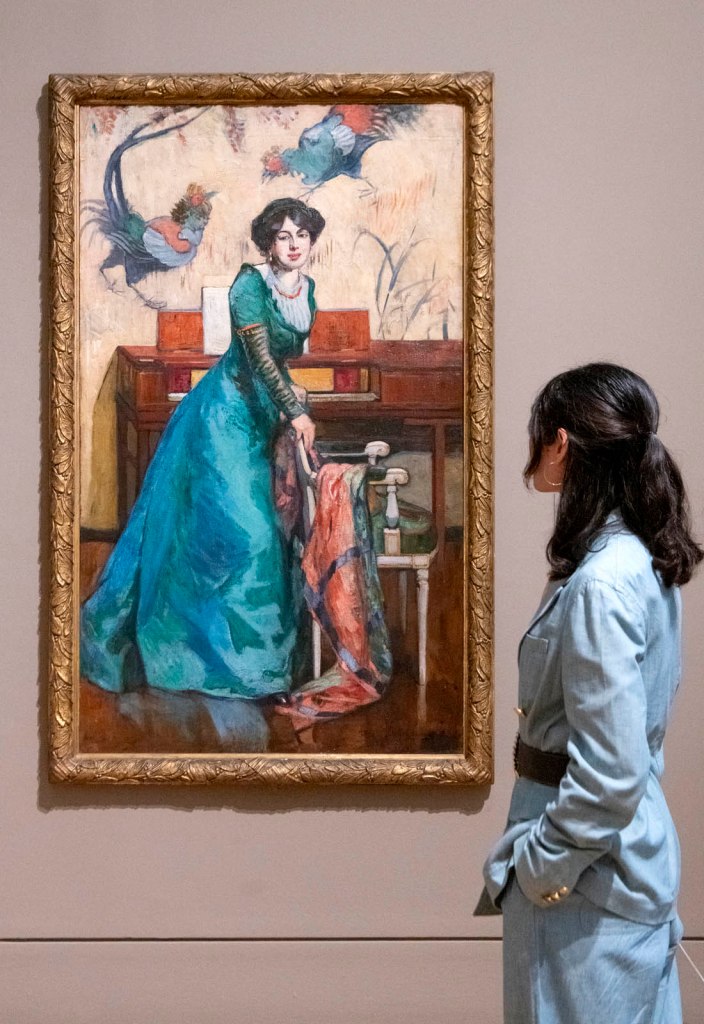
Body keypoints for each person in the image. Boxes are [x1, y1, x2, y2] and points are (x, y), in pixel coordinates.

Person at [480, 364, 702, 1023]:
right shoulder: (635, 560)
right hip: (615, 864)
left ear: (561, 444)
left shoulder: (604, 580)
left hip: (587, 882)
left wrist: (543, 869)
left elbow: (610, 773)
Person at [81, 197, 325, 707]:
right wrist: (296, 410)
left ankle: (259, 663)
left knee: (262, 535)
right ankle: (213, 660)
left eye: (301, 234)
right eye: (282, 236)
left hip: (262, 418)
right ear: (267, 243)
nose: (293, 244)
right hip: (223, 418)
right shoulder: (247, 286)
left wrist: (291, 399)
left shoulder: (307, 291)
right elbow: (259, 357)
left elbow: (282, 358)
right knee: (244, 534)